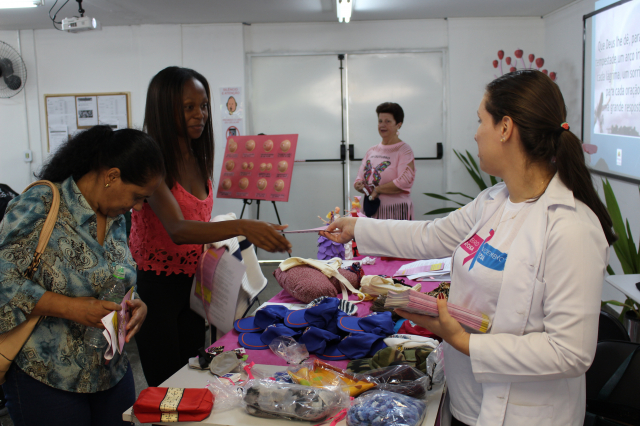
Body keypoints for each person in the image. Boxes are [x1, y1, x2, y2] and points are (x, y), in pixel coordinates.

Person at [322, 70, 615, 426]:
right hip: (466, 401)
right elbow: (431, 236)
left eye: (481, 121)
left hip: (524, 415)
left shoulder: (571, 227)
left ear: (505, 128)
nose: (476, 133)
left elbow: (569, 353)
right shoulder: (493, 201)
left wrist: (463, 341)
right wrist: (356, 227)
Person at [130, 66, 291, 387]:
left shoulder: (196, 155)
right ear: (164, 109)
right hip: (158, 291)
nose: (200, 115)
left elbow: (200, 223)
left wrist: (243, 231)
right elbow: (178, 229)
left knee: (193, 374)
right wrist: (244, 226)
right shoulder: (151, 161)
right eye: (188, 107)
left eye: (203, 106)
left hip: (195, 285)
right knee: (166, 386)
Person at [0, 125, 165, 426]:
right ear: (112, 176)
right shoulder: (42, 204)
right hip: (48, 376)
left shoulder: (117, 217)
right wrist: (71, 308)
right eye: (138, 196)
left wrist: (136, 303)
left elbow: (118, 274)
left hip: (110, 372)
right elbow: (4, 279)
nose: (139, 207)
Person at [353, 102, 415, 220]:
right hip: (371, 211)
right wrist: (359, 185)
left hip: (395, 213)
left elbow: (404, 182)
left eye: (388, 121)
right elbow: (359, 178)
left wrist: (377, 190)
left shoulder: (404, 150)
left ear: (398, 125)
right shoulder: (371, 150)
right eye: (380, 121)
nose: (382, 125)